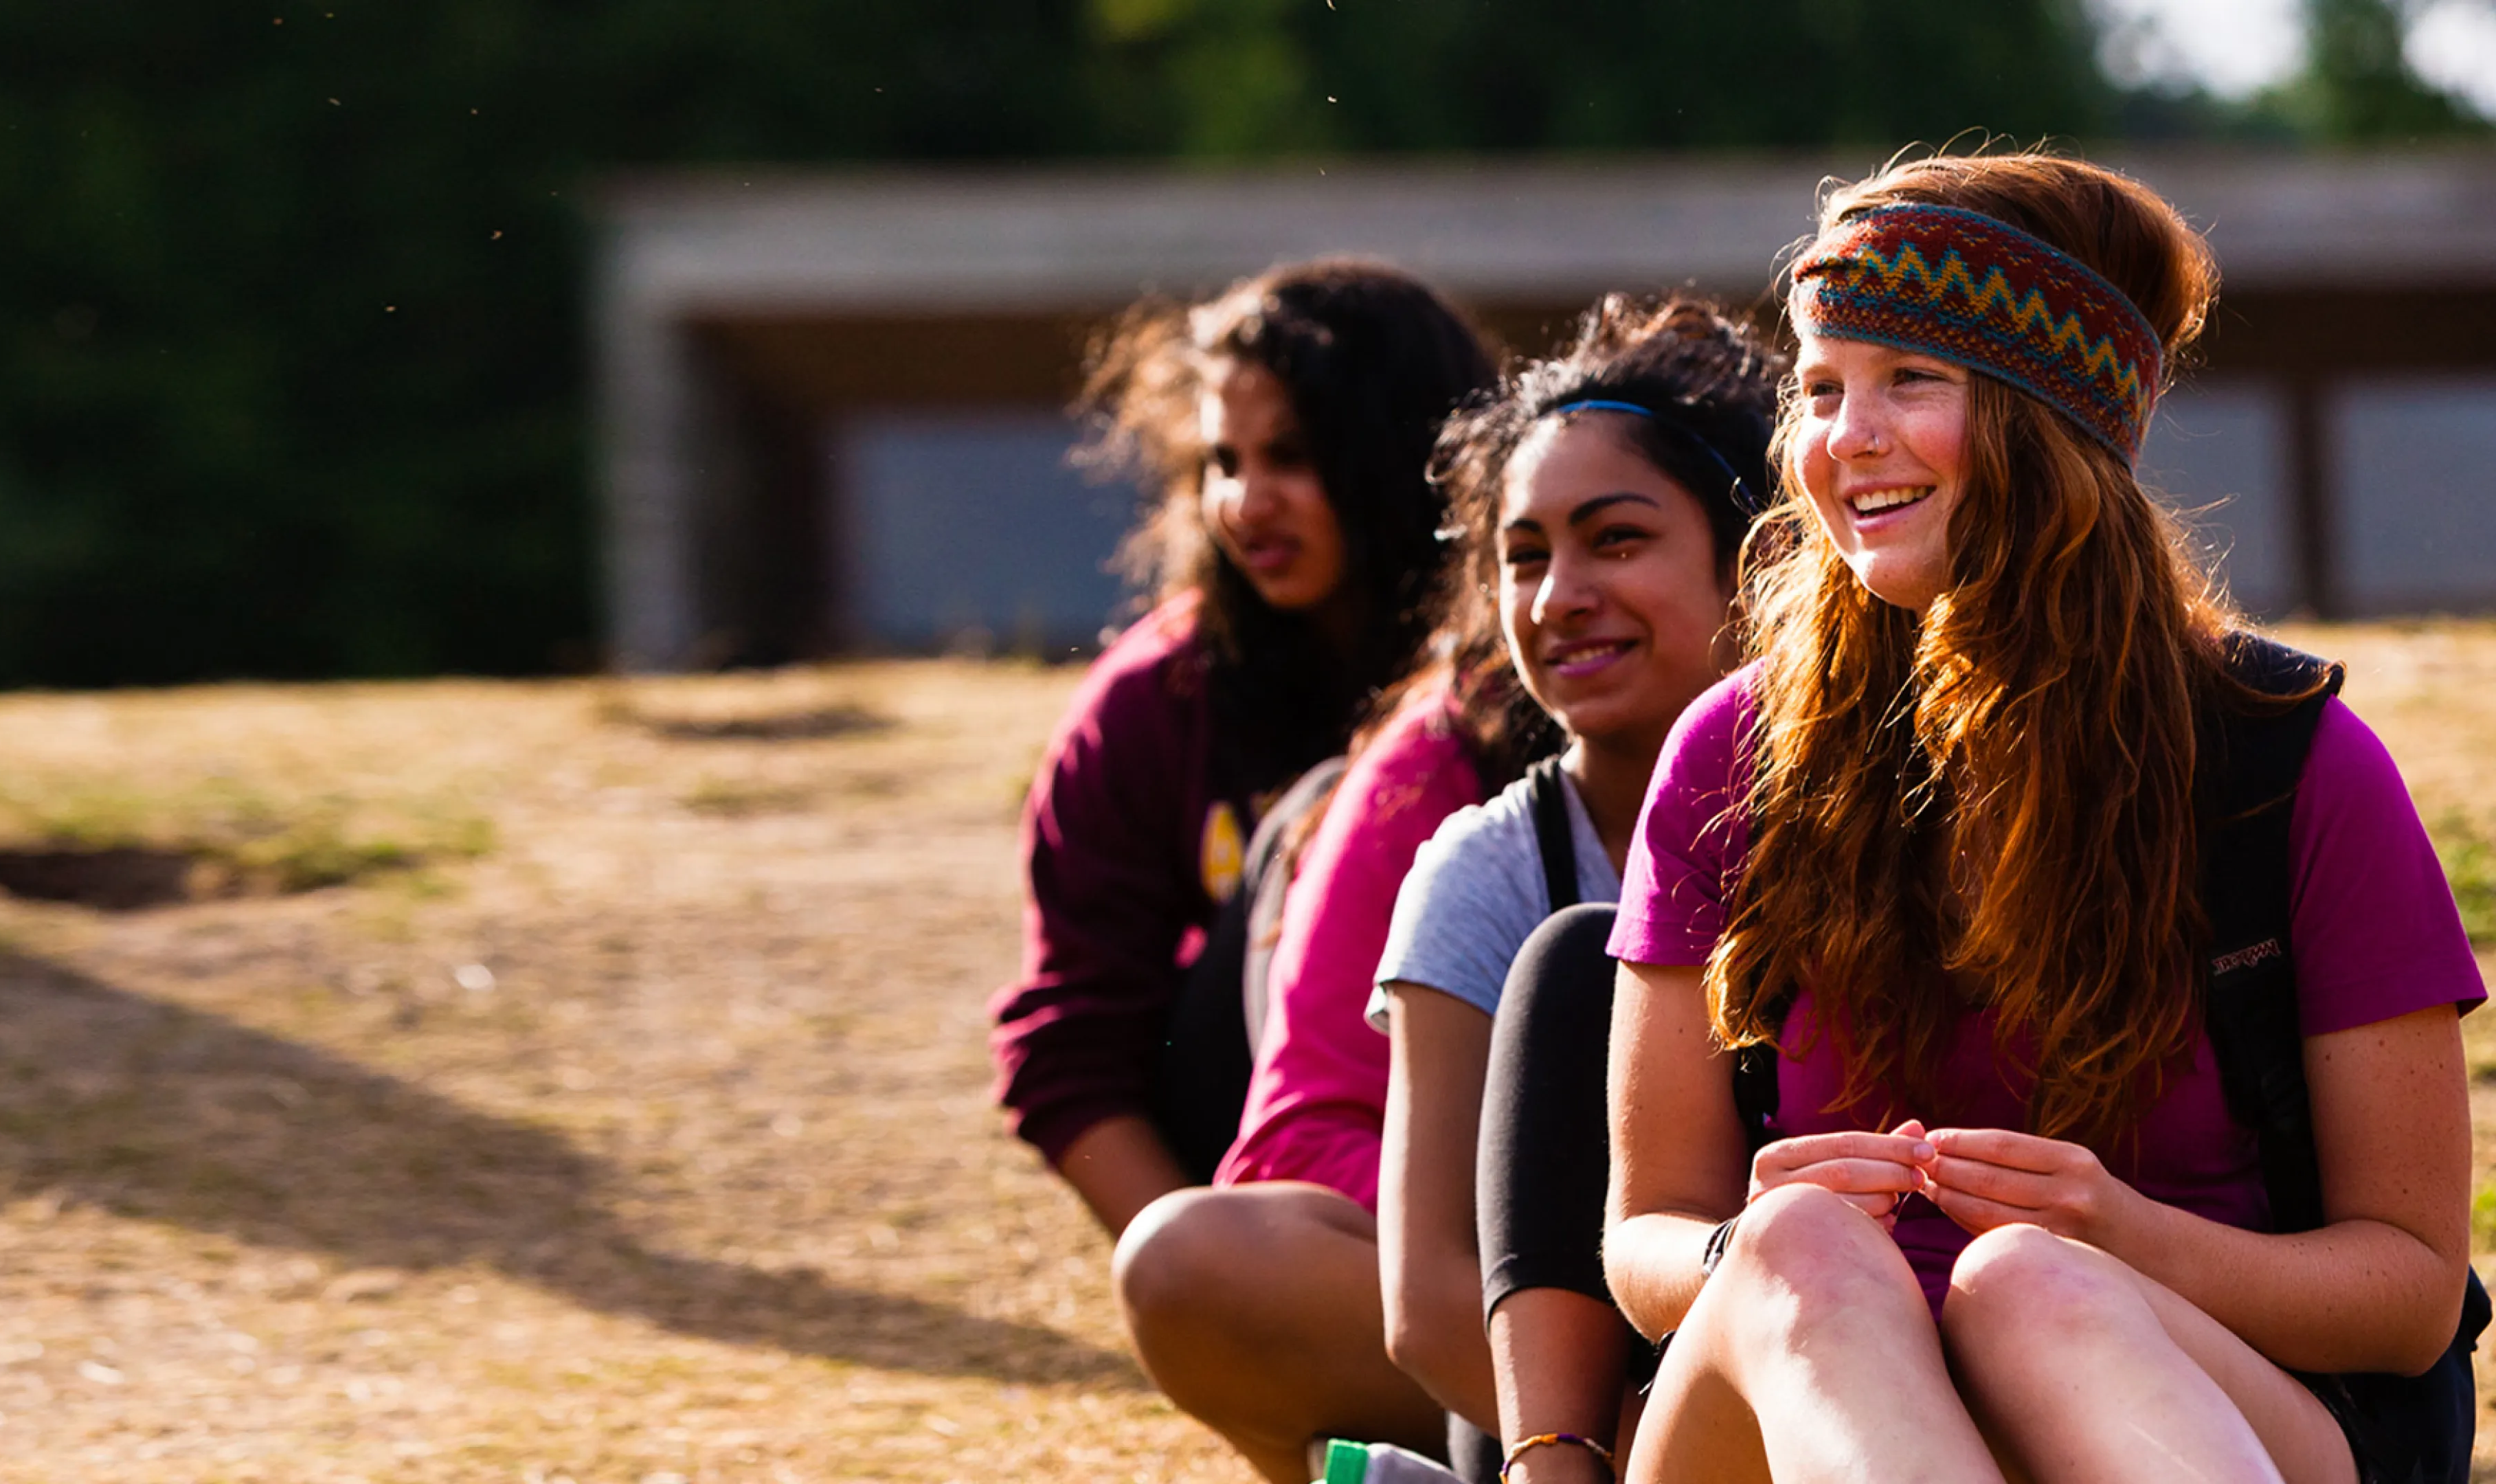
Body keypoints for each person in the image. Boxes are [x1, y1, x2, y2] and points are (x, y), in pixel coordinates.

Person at [1599, 149, 2483, 1484]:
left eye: (1911, 379)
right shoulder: (1734, 755)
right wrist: (1742, 1237)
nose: (1847, 439)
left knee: (2034, 1284)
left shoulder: (2285, 764)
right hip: (1809, 1394)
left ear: (2048, 417)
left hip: (2200, 1401)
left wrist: (2123, 1238)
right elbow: (1646, 1236)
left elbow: (2411, 1291)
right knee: (1798, 1246)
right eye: (1823, 388)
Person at [1112, 296, 1776, 1484]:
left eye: (1616, 540)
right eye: (1524, 556)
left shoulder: (1879, 820)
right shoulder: (1488, 859)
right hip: (1552, 1395)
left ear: (1763, 559)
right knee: (1188, 1256)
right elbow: (1425, 1302)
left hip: (1810, 1329)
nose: (1559, 596)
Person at [988, 259, 1494, 1243]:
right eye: (1225, 463)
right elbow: (1070, 1051)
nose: (1248, 503)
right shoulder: (1152, 702)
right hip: (1279, 1195)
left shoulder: (1528, 669)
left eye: (1295, 457)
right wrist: (1201, 1270)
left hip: (1493, 1160)